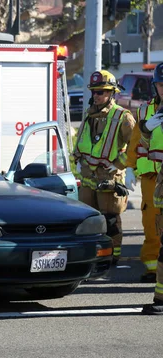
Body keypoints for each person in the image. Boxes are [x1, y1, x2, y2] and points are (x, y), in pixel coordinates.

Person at [72, 70, 135, 269]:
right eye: (94, 92)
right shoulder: (91, 114)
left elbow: (136, 145)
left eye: (101, 92)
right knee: (89, 218)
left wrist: (118, 164)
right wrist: (77, 158)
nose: (96, 96)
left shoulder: (122, 117)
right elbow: (83, 139)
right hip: (89, 175)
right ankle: (94, 254)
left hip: (109, 176)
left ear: (111, 93)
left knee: (110, 218)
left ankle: (113, 256)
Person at [126, 65, 162, 283]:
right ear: (154, 86)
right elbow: (135, 143)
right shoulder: (144, 111)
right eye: (160, 85)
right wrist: (129, 167)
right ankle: (151, 268)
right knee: (151, 224)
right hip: (150, 179)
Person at [138, 62, 163, 314]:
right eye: (160, 85)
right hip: (157, 181)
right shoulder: (151, 111)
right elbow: (143, 144)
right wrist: (147, 128)